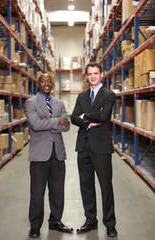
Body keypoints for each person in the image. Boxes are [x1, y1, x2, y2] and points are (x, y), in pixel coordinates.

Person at [71, 62, 118, 237]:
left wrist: (84, 116)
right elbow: (73, 117)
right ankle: (90, 220)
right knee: (86, 186)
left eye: (95, 73)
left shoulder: (109, 95)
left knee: (106, 186)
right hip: (83, 146)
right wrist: (89, 120)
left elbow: (104, 115)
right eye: (90, 73)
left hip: (102, 148)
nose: (92, 76)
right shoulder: (82, 96)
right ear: (86, 75)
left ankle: (110, 223)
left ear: (101, 74)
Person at [25, 73, 73, 238]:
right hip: (39, 156)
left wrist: (49, 121)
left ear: (52, 84)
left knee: (57, 191)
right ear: (38, 84)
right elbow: (36, 125)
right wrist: (56, 121)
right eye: (43, 81)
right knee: (37, 192)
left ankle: (55, 221)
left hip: (58, 154)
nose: (46, 83)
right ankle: (35, 225)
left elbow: (67, 126)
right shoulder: (31, 102)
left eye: (48, 81)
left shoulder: (59, 103)